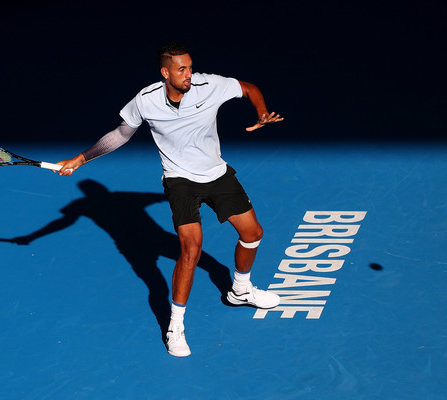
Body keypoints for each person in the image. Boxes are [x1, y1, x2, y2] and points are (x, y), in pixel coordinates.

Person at [56, 42, 283, 357]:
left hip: (216, 174)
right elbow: (121, 134)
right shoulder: (146, 101)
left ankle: (240, 291)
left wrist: (260, 113)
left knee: (253, 233)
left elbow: (248, 88)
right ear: (165, 73)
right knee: (191, 249)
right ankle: (175, 326)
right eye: (182, 69)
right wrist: (81, 158)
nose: (189, 74)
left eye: (190, 66)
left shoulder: (208, 85)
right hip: (179, 181)